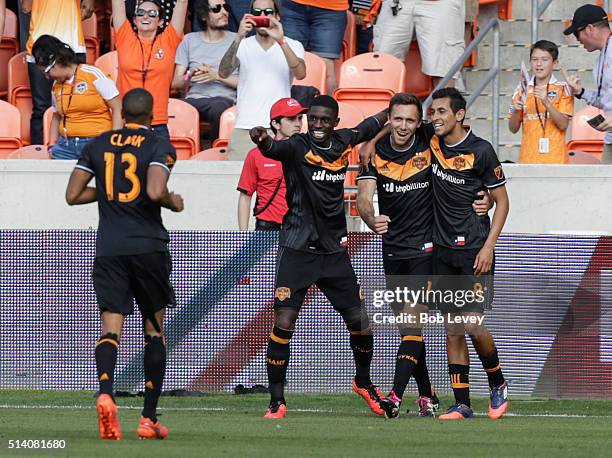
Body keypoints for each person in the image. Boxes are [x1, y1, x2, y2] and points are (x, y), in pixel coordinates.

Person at [249, 95, 388, 419]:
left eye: (326, 119)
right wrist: (262, 140)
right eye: (314, 119)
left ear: (335, 121)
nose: (319, 125)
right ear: (309, 119)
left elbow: (370, 125)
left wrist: (392, 108)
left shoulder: (344, 140)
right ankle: (277, 401)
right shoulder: (296, 146)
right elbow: (272, 149)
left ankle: (363, 382)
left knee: (361, 323)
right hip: (297, 250)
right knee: (284, 322)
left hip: (333, 253)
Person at [356, 92, 490, 418]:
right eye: (397, 119)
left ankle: (394, 397)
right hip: (393, 252)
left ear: (421, 122)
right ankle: (428, 396)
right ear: (389, 120)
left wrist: (482, 196)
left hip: (428, 250)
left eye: (410, 120)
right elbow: (363, 197)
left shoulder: (430, 138)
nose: (403, 126)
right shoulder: (374, 154)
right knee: (409, 334)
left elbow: (465, 156)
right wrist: (370, 218)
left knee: (415, 326)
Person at [65, 88, 184, 440]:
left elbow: (72, 195)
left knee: (110, 330)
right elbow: (153, 190)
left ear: (124, 113)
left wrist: (109, 188)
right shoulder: (158, 145)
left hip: (110, 248)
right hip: (148, 248)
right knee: (154, 333)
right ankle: (148, 418)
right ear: (152, 115)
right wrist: (173, 202)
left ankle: (105, 392)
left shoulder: (98, 144)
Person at [427, 88, 509, 420]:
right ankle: (462, 403)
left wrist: (489, 245)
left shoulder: (482, 151)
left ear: (459, 115)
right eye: (432, 112)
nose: (435, 118)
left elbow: (502, 201)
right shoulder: (430, 143)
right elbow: (396, 123)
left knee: (473, 323)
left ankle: (498, 383)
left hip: (475, 250)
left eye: (442, 112)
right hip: (442, 251)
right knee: (452, 328)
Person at [218, 0, 306, 160]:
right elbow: (223, 73)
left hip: (280, 128)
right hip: (245, 127)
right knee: (237, 182)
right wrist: (238, 37)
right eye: (257, 12)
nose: (262, 16)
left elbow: (300, 73)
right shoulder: (243, 44)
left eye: (267, 12)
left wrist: (280, 40)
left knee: (282, 182)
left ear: (277, 16)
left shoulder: (292, 44)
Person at [32, 35, 122, 159]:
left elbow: (118, 108)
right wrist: (51, 145)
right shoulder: (56, 86)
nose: (47, 77)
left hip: (96, 142)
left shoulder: (93, 74)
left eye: (46, 72)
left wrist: (114, 143)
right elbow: (56, 116)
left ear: (56, 63)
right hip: (66, 146)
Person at [112, 0, 188, 139]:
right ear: (134, 20)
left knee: (159, 161)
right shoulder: (124, 36)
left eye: (152, 14)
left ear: (160, 21)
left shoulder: (169, 40)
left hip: (156, 124)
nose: (145, 16)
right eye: (140, 13)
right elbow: (117, 3)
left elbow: (182, 3)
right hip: (126, 122)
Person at [23, 0, 94, 145]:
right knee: (45, 107)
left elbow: (26, 7)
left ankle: (67, 151)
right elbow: (26, 7)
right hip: (57, 45)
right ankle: (43, 154)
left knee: (45, 107)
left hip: (60, 45)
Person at [172, 0, 238, 142]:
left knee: (218, 108)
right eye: (216, 9)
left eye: (226, 7)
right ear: (203, 16)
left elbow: (246, 82)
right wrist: (190, 74)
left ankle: (215, 153)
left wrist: (217, 76)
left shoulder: (237, 40)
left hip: (224, 101)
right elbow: (175, 84)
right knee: (171, 107)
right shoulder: (189, 40)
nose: (224, 12)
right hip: (194, 100)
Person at [237, 97, 306, 231]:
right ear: (276, 124)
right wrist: (243, 234)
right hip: (267, 228)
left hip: (299, 229)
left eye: (300, 118)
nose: (298, 123)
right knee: (245, 253)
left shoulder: (309, 152)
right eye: (291, 119)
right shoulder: (255, 155)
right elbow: (245, 195)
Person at [508, 40, 573, 164]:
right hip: (528, 159)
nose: (539, 64)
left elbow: (563, 124)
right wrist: (516, 111)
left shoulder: (563, 88)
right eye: (534, 59)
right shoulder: (521, 89)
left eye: (544, 59)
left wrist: (547, 103)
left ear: (554, 63)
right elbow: (513, 128)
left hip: (557, 159)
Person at [373, 0, 465, 87]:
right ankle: (383, 103)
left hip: (439, 3)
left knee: (443, 69)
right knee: (383, 64)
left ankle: (443, 103)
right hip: (397, 3)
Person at [563, 4, 612, 164]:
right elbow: (604, 100)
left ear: (590, 28)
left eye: (578, 34)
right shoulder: (599, 62)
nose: (579, 41)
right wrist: (580, 92)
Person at [280, 0, 347, 92]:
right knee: (286, 65)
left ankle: (328, 106)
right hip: (292, 5)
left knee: (325, 68)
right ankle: (284, 106)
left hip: (332, 8)